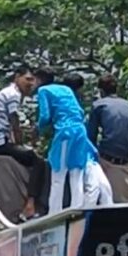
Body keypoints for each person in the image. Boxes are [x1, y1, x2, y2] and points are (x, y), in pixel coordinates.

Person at [0, 65, 45, 217]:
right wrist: (21, 145)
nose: (30, 84)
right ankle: (30, 204)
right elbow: (15, 123)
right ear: (17, 78)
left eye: (33, 81)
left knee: (27, 156)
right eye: (27, 79)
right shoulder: (12, 94)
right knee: (37, 161)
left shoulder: (9, 94)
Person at [35, 68, 100, 214]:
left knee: (58, 173)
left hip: (65, 132)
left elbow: (45, 116)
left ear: (39, 79)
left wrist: (38, 128)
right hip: (80, 131)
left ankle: (54, 213)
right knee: (76, 172)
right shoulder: (66, 89)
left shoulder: (43, 91)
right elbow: (79, 111)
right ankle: (77, 210)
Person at [63, 72, 113, 207]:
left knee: (104, 188)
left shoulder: (75, 105)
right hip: (81, 153)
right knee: (93, 189)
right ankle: (85, 217)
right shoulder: (69, 106)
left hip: (89, 153)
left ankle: (107, 217)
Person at [88, 73, 128, 166]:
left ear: (101, 91)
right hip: (127, 156)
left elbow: (91, 136)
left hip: (107, 156)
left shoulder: (98, 105)